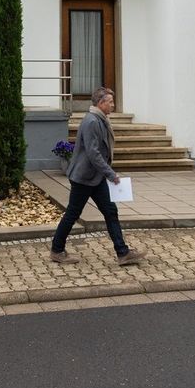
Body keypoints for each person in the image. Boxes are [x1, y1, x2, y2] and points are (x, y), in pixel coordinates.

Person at [49, 87, 146, 266]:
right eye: (110, 102)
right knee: (73, 213)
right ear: (101, 103)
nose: (113, 105)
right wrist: (110, 174)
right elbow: (93, 154)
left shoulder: (100, 119)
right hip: (84, 177)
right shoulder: (92, 121)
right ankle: (56, 250)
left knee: (110, 211)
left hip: (95, 177)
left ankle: (122, 252)